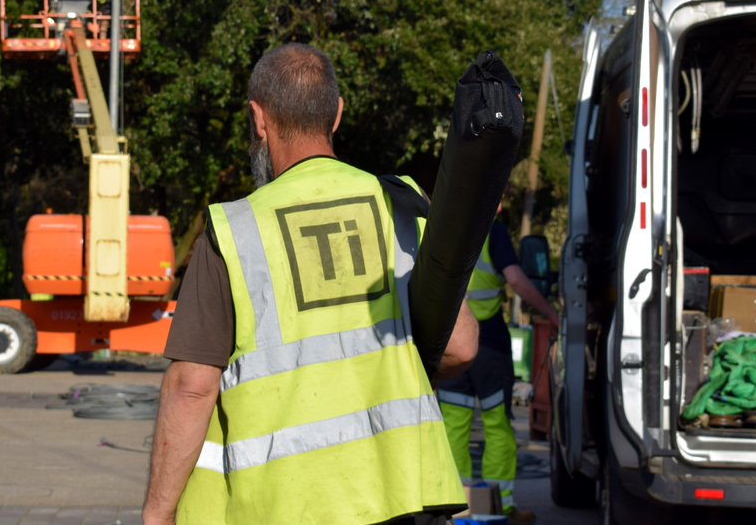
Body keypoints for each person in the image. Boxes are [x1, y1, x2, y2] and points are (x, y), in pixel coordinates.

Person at [142, 43, 479, 525]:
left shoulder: (234, 231)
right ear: (337, 115)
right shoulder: (403, 206)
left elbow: (192, 388)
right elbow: (462, 347)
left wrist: (157, 513)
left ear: (258, 119)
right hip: (408, 496)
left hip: (280, 507)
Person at [436, 219, 558, 524]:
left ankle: (455, 508)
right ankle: (499, 508)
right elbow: (515, 279)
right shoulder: (492, 230)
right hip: (488, 345)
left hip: (450, 342)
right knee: (498, 427)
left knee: (453, 427)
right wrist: (551, 313)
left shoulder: (443, 225)